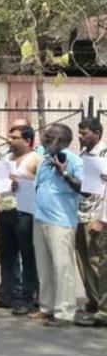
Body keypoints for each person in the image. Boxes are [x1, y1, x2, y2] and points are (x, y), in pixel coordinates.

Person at [0, 124, 42, 315]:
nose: (10, 140)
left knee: (28, 256)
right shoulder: (5, 159)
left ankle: (27, 298)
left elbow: (43, 186)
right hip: (5, 210)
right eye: (9, 137)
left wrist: (23, 184)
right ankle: (7, 295)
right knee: (6, 256)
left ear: (27, 140)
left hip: (25, 212)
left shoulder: (35, 160)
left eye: (14, 137)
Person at [32, 123, 84, 327]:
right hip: (41, 218)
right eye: (45, 136)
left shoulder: (74, 160)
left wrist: (64, 173)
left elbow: (84, 188)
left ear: (61, 141)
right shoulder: (44, 159)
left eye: (49, 137)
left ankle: (64, 313)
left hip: (61, 221)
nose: (44, 139)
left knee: (62, 268)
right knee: (44, 267)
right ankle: (46, 307)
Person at [74, 118, 107, 326]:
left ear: (96, 132)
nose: (80, 136)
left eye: (84, 133)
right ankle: (94, 301)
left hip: (97, 217)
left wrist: (102, 221)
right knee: (84, 262)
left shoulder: (104, 156)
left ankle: (104, 310)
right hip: (80, 215)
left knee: (100, 264)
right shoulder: (83, 155)